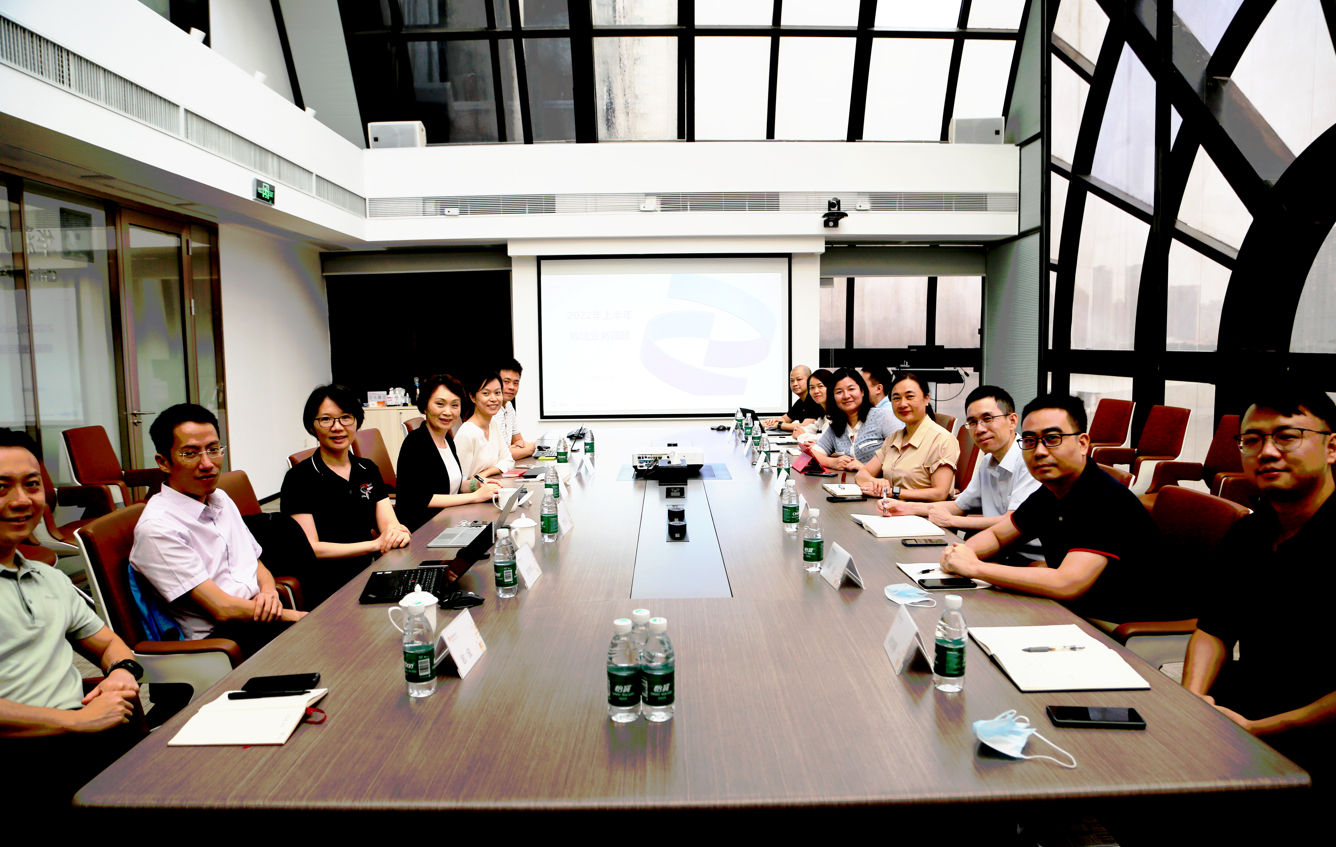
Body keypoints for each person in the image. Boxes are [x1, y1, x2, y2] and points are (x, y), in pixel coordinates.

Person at [1181, 386, 1336, 784]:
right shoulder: (1249, 532)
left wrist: (1261, 730)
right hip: (1244, 714)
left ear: (1331, 448)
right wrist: (1192, 701)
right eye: (1252, 440)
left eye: (1287, 436)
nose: (1267, 452)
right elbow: (1214, 628)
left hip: (1318, 740)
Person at [0, 428, 147, 802]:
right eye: (2, 487)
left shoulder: (47, 577)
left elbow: (110, 645)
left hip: (82, 738)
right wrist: (76, 721)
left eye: (32, 485)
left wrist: (121, 673)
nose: (21, 500)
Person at [938, 394, 1168, 624]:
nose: (1039, 451)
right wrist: (963, 553)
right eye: (1030, 441)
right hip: (1073, 608)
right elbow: (998, 536)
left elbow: (1066, 584)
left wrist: (975, 567)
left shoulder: (1105, 499)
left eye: (1052, 438)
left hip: (1122, 623)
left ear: (1082, 444)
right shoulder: (1050, 491)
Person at [131, 404, 307, 658]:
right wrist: (294, 617)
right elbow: (222, 609)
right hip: (220, 641)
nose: (207, 464)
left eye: (213, 450)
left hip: (257, 617)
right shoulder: (158, 528)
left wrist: (269, 591)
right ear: (163, 462)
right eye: (190, 454)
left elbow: (254, 562)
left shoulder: (220, 498)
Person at [279, 385, 411, 604]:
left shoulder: (367, 469)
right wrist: (374, 545)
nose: (337, 427)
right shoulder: (299, 478)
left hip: (368, 575)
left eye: (346, 417)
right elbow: (311, 548)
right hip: (324, 586)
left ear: (357, 421)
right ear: (312, 426)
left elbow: (389, 523)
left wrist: (398, 533)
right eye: (326, 419)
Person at [880, 385, 1043, 560]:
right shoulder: (988, 460)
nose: (979, 429)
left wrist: (952, 521)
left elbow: (1013, 521)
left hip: (1028, 558)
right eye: (972, 422)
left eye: (987, 419)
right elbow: (959, 507)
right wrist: (906, 508)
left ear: (1012, 421)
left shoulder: (1030, 460)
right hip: (998, 550)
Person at [396, 373, 505, 531]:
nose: (448, 412)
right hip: (424, 529)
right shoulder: (415, 443)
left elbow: (452, 485)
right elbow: (421, 499)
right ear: (425, 406)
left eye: (454, 405)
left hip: (449, 520)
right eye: (440, 404)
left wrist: (477, 485)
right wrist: (475, 497)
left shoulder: (447, 440)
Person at [855, 371, 958, 503]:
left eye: (910, 397)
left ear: (926, 398)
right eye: (896, 398)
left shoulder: (942, 439)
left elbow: (940, 493)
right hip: (889, 508)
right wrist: (875, 482)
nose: (903, 404)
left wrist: (893, 492)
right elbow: (862, 474)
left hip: (921, 512)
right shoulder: (893, 439)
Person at [810, 368, 900, 471]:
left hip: (879, 480)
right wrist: (832, 462)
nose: (846, 396)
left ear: (862, 391)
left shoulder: (883, 417)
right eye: (839, 392)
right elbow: (810, 455)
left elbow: (902, 455)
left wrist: (866, 470)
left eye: (851, 389)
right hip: (847, 480)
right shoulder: (836, 426)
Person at [456, 372, 516, 480]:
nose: (493, 399)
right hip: (475, 491)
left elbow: (508, 460)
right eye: (486, 393)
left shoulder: (493, 424)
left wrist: (484, 474)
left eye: (497, 393)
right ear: (473, 397)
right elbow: (459, 482)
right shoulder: (466, 433)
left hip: (491, 486)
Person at [763, 365, 822, 431]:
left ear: (810, 380)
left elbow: (805, 426)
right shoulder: (800, 402)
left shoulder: (815, 399)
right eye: (792, 380)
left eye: (799, 379)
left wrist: (779, 425)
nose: (795, 384)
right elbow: (785, 419)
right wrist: (771, 422)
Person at [498, 358, 536, 461]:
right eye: (506, 382)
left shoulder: (509, 406)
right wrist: (528, 450)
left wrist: (515, 449)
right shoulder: (491, 410)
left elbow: (518, 440)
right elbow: (498, 455)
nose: (512, 387)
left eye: (516, 383)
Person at [793, 368, 835, 444]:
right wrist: (800, 430)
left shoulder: (836, 412)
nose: (816, 391)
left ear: (831, 387)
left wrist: (802, 435)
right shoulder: (823, 411)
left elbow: (825, 439)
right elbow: (814, 427)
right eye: (812, 387)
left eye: (820, 386)